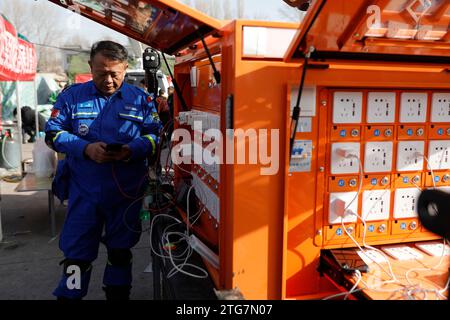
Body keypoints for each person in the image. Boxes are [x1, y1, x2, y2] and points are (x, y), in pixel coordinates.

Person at [45, 40, 162, 300]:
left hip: (126, 194)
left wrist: (133, 149)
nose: (108, 80)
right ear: (91, 67)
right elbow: (52, 135)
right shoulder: (71, 97)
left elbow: (156, 136)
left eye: (114, 74)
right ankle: (69, 296)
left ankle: (118, 296)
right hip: (84, 193)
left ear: (125, 68)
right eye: (101, 73)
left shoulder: (141, 100)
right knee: (77, 255)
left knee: (120, 253)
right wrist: (85, 149)